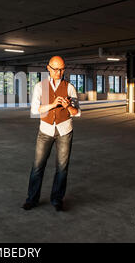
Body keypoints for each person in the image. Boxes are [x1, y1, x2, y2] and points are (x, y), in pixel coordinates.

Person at [22, 56, 81, 211]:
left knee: (62, 168)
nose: (59, 72)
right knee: (37, 166)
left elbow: (77, 112)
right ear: (48, 68)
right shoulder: (40, 87)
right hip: (45, 130)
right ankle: (32, 199)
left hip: (65, 130)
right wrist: (53, 104)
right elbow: (35, 110)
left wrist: (68, 107)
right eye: (55, 69)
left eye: (61, 69)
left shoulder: (69, 87)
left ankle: (57, 200)